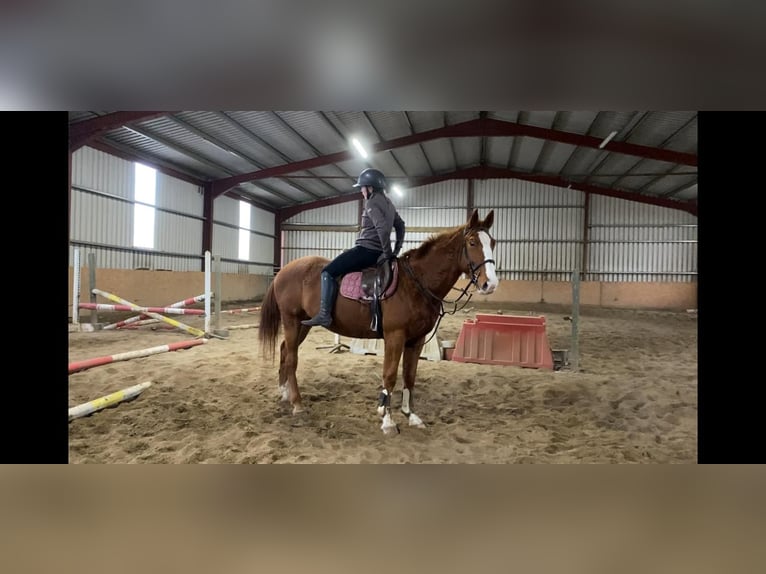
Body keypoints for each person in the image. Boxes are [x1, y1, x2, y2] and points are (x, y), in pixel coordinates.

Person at [302, 167, 405, 327]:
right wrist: (396, 250)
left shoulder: (371, 202)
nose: (361, 192)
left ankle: (324, 315)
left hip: (365, 251)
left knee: (327, 272)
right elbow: (401, 225)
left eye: (362, 188)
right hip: (377, 253)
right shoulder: (389, 203)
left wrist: (388, 253)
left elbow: (382, 229)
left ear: (370, 188)